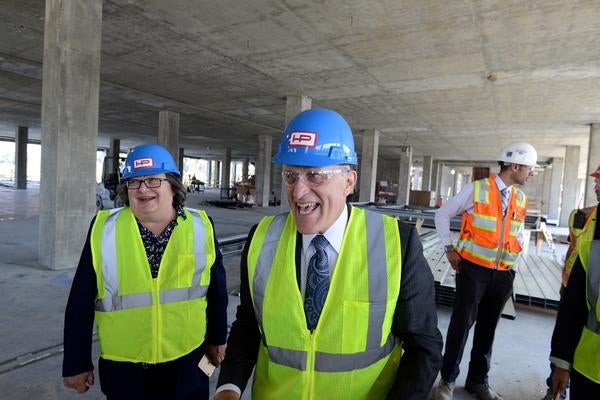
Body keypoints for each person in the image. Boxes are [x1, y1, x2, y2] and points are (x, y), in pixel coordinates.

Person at [214, 108, 443, 400]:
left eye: (315, 175)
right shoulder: (262, 238)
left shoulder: (397, 243)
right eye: (291, 175)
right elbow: (249, 324)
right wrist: (228, 387)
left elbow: (424, 346)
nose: (298, 192)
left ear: (349, 181)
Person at [62, 143, 228, 399]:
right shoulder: (104, 229)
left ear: (172, 185)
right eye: (134, 181)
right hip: (125, 371)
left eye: (152, 180)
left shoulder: (201, 226)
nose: (142, 189)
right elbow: (80, 300)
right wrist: (76, 362)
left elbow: (217, 290)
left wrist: (217, 339)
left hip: (187, 364)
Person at [433, 141, 538, 400]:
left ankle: (477, 381)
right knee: (461, 325)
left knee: (488, 328)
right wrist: (449, 248)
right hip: (473, 270)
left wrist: (515, 258)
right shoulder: (477, 189)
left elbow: (518, 232)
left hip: (503, 273)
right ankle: (447, 380)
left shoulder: (520, 198)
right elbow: (442, 214)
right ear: (514, 166)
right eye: (529, 168)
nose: (531, 173)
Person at [548, 166, 600, 400]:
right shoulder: (582, 216)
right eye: (597, 181)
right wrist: (562, 361)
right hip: (589, 368)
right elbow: (573, 308)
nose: (596, 186)